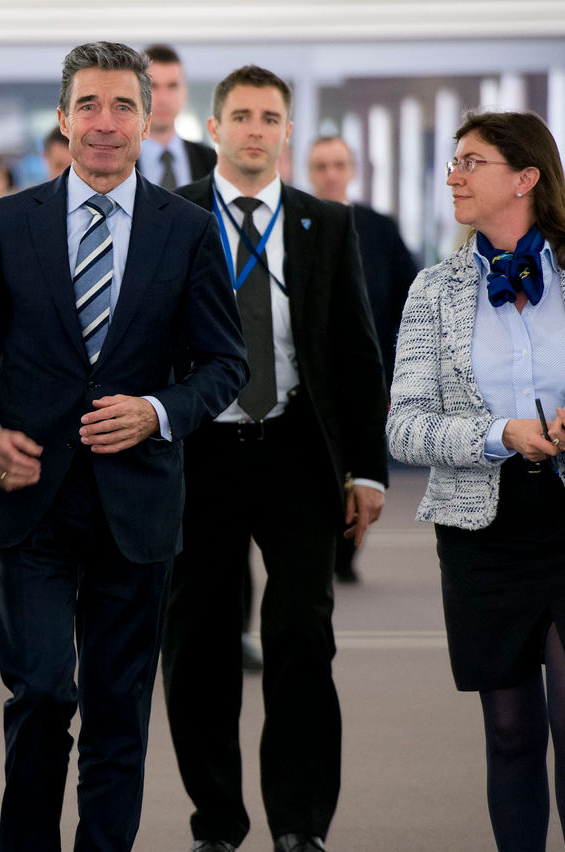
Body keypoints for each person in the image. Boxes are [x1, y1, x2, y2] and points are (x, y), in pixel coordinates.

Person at [0, 41, 246, 852]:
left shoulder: (189, 228)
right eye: (88, 105)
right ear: (63, 118)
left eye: (122, 107)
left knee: (117, 712)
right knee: (41, 692)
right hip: (30, 497)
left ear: (148, 120)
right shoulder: (9, 222)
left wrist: (157, 410)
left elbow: (225, 364)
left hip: (137, 503)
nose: (104, 123)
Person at [387, 109, 565, 852]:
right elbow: (405, 427)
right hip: (483, 527)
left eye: (470, 162)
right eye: (454, 162)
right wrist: (498, 434)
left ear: (526, 178)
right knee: (510, 728)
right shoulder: (432, 291)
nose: (453, 176)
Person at [162, 65, 388, 852]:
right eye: (241, 116)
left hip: (296, 451)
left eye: (269, 118)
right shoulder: (171, 215)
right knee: (198, 645)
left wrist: (367, 469)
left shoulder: (326, 224)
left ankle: (299, 824)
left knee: (302, 639)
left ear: (287, 131)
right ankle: (217, 822)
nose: (255, 130)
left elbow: (356, 354)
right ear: (214, 129)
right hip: (200, 454)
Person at [307, 134, 420, 583]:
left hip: (368, 371)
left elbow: (407, 300)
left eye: (338, 165)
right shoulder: (297, 223)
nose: (331, 174)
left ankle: (347, 550)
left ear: (352, 170)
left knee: (361, 462)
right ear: (310, 173)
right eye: (321, 166)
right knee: (319, 464)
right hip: (312, 373)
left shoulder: (379, 229)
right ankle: (322, 546)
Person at [141, 45, 216, 191]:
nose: (163, 99)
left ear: (184, 92)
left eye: (172, 86)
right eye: (153, 86)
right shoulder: (119, 160)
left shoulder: (210, 160)